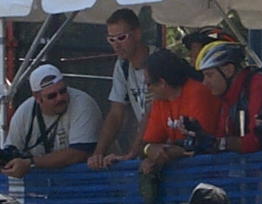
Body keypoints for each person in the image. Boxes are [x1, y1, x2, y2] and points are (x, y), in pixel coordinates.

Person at [139, 49, 221, 204]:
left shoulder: (197, 93)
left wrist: (165, 150)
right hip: (183, 182)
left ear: (162, 83)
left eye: (149, 83)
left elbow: (199, 143)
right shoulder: (160, 101)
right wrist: (150, 150)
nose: (147, 88)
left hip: (212, 178)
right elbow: (148, 143)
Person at [1, 64, 102, 178]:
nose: (60, 98)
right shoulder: (24, 112)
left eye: (63, 91)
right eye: (52, 96)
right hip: (45, 189)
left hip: (87, 184)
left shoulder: (83, 104)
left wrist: (30, 163)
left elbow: (78, 154)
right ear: (38, 98)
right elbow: (11, 151)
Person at [87, 8, 157, 169]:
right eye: (111, 40)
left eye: (121, 37)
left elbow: (153, 112)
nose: (116, 45)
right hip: (146, 147)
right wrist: (98, 153)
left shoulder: (159, 60)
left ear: (137, 34)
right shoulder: (122, 65)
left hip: (165, 144)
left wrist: (132, 153)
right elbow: (116, 114)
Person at [193, 41, 262, 153]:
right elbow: (222, 133)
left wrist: (218, 143)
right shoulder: (228, 95)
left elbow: (257, 141)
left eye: (209, 75)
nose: (204, 83)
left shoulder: (257, 85)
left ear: (228, 70)